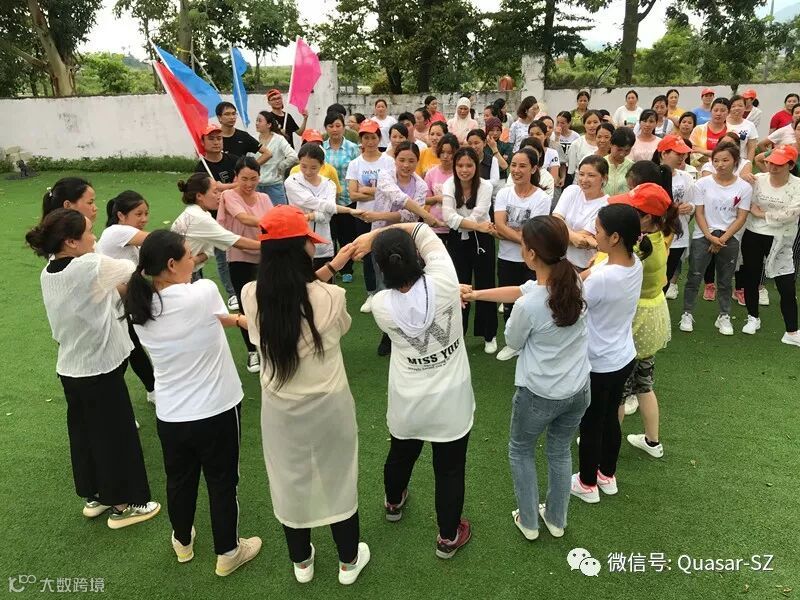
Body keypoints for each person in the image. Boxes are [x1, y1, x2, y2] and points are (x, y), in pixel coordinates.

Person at [239, 206, 368, 584]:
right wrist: (332, 270)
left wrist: (332, 266)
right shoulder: (332, 296)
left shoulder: (250, 294)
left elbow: (291, 296)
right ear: (300, 250)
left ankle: (302, 562)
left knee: (289, 480)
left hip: (280, 409)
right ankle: (348, 561)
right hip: (330, 405)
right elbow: (335, 321)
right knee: (339, 476)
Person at [124, 230, 261, 576]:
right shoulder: (203, 291)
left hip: (171, 414)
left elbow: (210, 319)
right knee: (222, 481)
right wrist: (240, 319)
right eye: (189, 255)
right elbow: (212, 312)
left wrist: (235, 320)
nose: (194, 260)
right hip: (217, 409)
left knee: (179, 480)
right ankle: (228, 551)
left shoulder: (140, 305)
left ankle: (182, 541)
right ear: (172, 264)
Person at [25, 208, 160, 528]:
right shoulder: (90, 265)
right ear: (71, 242)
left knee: (86, 435)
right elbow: (130, 267)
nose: (95, 237)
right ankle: (125, 506)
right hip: (99, 369)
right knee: (116, 437)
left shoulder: (49, 271)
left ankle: (95, 496)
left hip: (71, 368)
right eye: (88, 232)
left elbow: (104, 292)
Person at [461, 216, 589, 542]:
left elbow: (514, 341)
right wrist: (475, 295)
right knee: (559, 451)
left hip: (539, 393)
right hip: (577, 389)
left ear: (531, 254)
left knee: (521, 450)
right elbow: (521, 290)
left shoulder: (529, 305)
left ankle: (529, 522)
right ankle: (556, 520)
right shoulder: (573, 281)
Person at [351, 222, 474, 560]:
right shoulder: (445, 280)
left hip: (408, 398)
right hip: (451, 399)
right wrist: (375, 236)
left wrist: (371, 238)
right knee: (449, 469)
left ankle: (393, 502)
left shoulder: (380, 305)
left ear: (381, 269)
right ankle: (448, 537)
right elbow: (421, 228)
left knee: (401, 453)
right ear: (416, 256)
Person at [571, 203, 642, 503]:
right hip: (623, 356)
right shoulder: (633, 263)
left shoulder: (605, 278)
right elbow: (591, 274)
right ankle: (607, 475)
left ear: (614, 238)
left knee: (591, 423)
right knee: (611, 415)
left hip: (599, 363)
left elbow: (575, 308)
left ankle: (587, 483)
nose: (593, 234)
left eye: (598, 230)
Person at [362, 142, 442, 357]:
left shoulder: (421, 185)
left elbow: (409, 215)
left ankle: (411, 330)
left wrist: (379, 215)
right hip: (379, 238)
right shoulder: (385, 175)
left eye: (411, 161)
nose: (406, 165)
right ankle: (388, 334)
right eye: (402, 160)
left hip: (406, 242)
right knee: (384, 287)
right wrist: (426, 215)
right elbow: (399, 199)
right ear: (395, 160)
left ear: (418, 162)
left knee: (408, 286)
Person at [679, 144, 752, 336]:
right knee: (694, 276)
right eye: (716, 160)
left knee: (725, 280)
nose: (720, 164)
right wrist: (710, 236)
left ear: (735, 161)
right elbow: (699, 213)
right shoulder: (702, 184)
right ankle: (687, 313)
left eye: (725, 160)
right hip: (703, 236)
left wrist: (723, 238)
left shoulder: (744, 187)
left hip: (730, 237)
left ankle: (724, 315)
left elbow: (741, 217)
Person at [96, 191, 155, 405]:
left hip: (126, 303)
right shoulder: (116, 231)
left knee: (133, 348)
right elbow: (159, 241)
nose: (144, 219)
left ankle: (153, 389)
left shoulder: (129, 237)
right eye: (138, 213)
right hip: (112, 305)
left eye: (146, 213)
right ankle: (114, 403)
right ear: (121, 215)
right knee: (125, 352)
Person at [494, 147, 552, 360]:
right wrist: (526, 240)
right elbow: (500, 224)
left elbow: (533, 232)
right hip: (506, 258)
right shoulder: (504, 193)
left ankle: (532, 342)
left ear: (534, 168)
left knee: (533, 301)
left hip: (533, 261)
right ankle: (512, 343)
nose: (516, 170)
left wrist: (505, 234)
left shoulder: (541, 198)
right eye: (514, 165)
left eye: (523, 166)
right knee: (509, 303)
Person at [216, 156, 274, 372]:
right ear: (236, 177)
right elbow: (243, 218)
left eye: (254, 178)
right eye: (244, 179)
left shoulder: (264, 198)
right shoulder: (228, 195)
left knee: (267, 302)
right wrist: (276, 219)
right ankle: (252, 352)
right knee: (245, 305)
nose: (249, 184)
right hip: (239, 256)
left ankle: (268, 345)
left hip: (265, 256)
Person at [740, 145, 800, 346]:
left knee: (786, 285)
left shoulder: (797, 185)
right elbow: (742, 198)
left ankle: (792, 331)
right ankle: (752, 317)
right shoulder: (757, 179)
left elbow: (791, 213)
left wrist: (761, 214)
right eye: (771, 162)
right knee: (751, 277)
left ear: (790, 165)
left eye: (779, 164)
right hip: (753, 234)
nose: (773, 167)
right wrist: (743, 177)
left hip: (781, 238)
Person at [442, 147, 498, 354]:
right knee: (458, 286)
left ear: (476, 166)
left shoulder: (485, 186)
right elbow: (448, 217)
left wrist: (470, 225)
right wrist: (476, 226)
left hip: (481, 239)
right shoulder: (449, 184)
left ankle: (489, 334)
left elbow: (478, 214)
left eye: (469, 165)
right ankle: (459, 334)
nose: (464, 170)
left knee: (485, 284)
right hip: (458, 239)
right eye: (460, 165)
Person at [170, 173, 260, 288]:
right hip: (181, 275)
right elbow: (234, 241)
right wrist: (266, 244)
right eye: (215, 192)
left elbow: (209, 251)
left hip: (183, 270)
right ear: (199, 196)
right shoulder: (199, 218)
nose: (219, 195)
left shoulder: (195, 213)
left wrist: (195, 260)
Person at [286, 143, 364, 270]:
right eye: (303, 166)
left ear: (322, 165)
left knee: (324, 280)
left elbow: (327, 216)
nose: (308, 171)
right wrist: (348, 210)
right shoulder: (291, 182)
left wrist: (310, 216)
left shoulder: (329, 184)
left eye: (313, 167)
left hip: (323, 245)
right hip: (298, 242)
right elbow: (311, 201)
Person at [346, 119, 397, 313]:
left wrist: (366, 189)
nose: (369, 142)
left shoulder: (388, 161)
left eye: (373, 137)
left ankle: (390, 291)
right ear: (361, 140)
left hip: (385, 214)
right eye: (366, 138)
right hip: (364, 215)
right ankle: (372, 293)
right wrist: (379, 191)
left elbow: (393, 191)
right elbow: (353, 194)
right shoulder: (355, 164)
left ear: (379, 138)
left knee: (388, 252)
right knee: (367, 254)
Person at [194, 123, 239, 310]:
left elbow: (242, 182)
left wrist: (221, 187)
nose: (216, 142)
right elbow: (204, 192)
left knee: (239, 252)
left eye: (219, 138)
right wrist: (225, 187)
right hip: (214, 218)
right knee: (222, 255)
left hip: (236, 214)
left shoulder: (233, 160)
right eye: (211, 139)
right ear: (203, 142)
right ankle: (232, 293)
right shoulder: (200, 167)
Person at [653, 136, 696, 298]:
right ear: (664, 153)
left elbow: (694, 203)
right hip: (654, 236)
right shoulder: (651, 174)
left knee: (667, 277)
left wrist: (690, 207)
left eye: (684, 154)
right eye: (678, 154)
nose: (682, 158)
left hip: (678, 236)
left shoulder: (686, 177)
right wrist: (671, 209)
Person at [324, 111, 362, 283]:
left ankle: (347, 268)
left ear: (343, 127)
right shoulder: (321, 148)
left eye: (338, 125)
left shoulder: (352, 148)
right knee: (329, 236)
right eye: (330, 126)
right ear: (326, 128)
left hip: (347, 199)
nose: (334, 129)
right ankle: (330, 268)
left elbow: (358, 172)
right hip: (327, 200)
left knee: (347, 236)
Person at [554, 155, 610, 269]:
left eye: (591, 175)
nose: (584, 180)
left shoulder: (607, 205)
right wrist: (573, 237)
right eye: (581, 174)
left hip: (585, 266)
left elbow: (583, 239)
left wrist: (558, 233)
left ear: (604, 178)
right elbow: (555, 219)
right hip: (560, 261)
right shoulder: (571, 190)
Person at [254, 110, 298, 205]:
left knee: (280, 212)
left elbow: (293, 156)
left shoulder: (279, 139)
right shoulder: (253, 138)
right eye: (256, 120)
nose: (257, 123)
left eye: (260, 121)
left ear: (269, 124)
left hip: (274, 185)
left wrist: (281, 166)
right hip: (256, 185)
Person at [424, 133, 460, 243]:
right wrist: (437, 198)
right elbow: (424, 199)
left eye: (449, 153)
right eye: (443, 152)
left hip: (456, 225)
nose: (445, 156)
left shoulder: (460, 173)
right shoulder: (431, 173)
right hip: (435, 225)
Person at [566, 111, 602, 183]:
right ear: (584, 124)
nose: (592, 125)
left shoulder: (605, 143)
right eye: (588, 123)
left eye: (595, 122)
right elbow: (571, 170)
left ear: (601, 123)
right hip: (580, 183)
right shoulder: (576, 144)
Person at [726, 95, 759, 163]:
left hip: (741, 161)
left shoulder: (750, 125)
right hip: (723, 161)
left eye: (740, 106)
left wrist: (749, 164)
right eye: (733, 106)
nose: (737, 108)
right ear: (729, 109)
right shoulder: (723, 122)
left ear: (745, 108)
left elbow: (751, 149)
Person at [603, 127, 636, 196]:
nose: (622, 154)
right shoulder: (600, 164)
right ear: (610, 144)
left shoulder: (632, 167)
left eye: (627, 150)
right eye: (619, 149)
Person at [485, 117, 513, 182]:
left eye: (498, 130)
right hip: (484, 178)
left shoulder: (506, 146)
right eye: (492, 130)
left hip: (501, 179)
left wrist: (494, 148)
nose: (495, 133)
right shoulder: (482, 145)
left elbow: (504, 166)